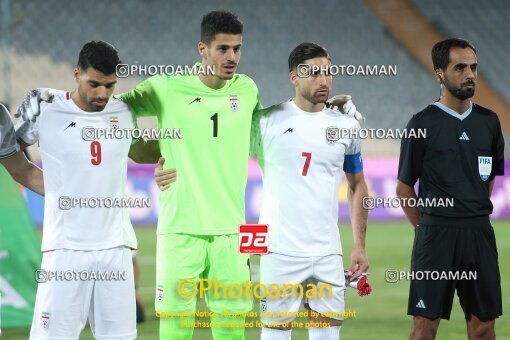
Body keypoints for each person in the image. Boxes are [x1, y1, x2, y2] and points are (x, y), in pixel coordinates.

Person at [156, 42, 369, 340]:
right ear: (294, 77)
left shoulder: (347, 127)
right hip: (278, 252)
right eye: (314, 73)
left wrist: (359, 245)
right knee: (274, 334)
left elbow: (358, 184)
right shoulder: (265, 122)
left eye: (328, 73)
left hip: (327, 254)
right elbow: (211, 146)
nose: (324, 80)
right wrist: (164, 162)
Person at [12, 40, 167, 339]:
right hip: (64, 251)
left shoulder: (122, 112)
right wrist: (40, 181)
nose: (102, 94)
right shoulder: (47, 110)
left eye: (109, 86)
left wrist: (175, 155)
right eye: (94, 83)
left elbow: (141, 152)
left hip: (115, 249)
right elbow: (11, 152)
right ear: (76, 75)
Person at [396, 38, 505, 340]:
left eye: (473, 67)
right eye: (460, 68)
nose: (470, 74)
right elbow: (404, 189)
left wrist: (471, 212)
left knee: (484, 329)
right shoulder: (421, 123)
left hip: (479, 234)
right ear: (439, 74)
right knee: (423, 329)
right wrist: (427, 228)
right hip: (435, 236)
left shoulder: (489, 122)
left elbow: (489, 178)